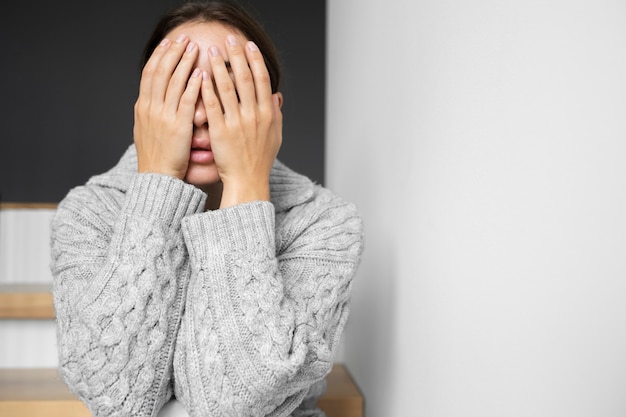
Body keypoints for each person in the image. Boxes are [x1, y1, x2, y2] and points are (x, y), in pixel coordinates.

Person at [49, 1, 364, 416]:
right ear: (145, 109)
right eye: (178, 90)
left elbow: (229, 402)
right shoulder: (87, 214)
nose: (200, 114)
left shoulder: (325, 223)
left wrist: (248, 183)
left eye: (227, 91)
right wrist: (158, 180)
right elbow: (115, 397)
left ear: (271, 114)